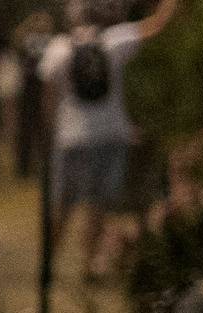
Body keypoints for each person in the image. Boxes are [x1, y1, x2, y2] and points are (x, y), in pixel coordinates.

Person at [39, 0, 182, 281]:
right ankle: (88, 266)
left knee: (63, 206)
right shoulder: (115, 41)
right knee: (97, 206)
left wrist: (49, 129)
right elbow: (158, 25)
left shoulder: (60, 47)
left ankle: (48, 265)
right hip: (109, 134)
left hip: (70, 136)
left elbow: (47, 90)